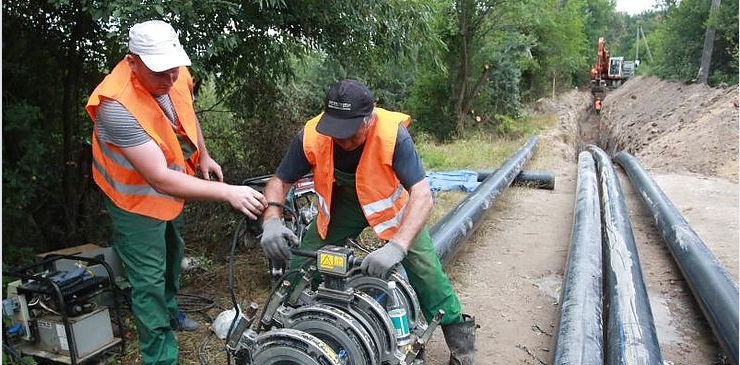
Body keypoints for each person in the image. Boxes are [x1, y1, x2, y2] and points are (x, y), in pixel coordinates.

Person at [85, 20, 267, 365]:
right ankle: (160, 356)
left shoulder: (171, 70)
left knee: (172, 252)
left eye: (173, 70)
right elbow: (160, 179)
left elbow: (186, 112)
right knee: (148, 279)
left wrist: (205, 154)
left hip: (166, 193)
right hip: (134, 200)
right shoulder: (116, 106)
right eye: (160, 74)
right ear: (133, 62)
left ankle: (171, 312)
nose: (170, 79)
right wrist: (228, 192)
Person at [259, 79, 477, 364]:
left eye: (350, 134)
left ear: (369, 119)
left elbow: (422, 195)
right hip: (342, 206)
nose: (342, 141)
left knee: (426, 271)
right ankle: (285, 331)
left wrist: (397, 247)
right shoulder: (311, 135)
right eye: (336, 132)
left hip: (390, 208)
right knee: (301, 265)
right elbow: (280, 181)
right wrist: (272, 219)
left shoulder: (392, 136)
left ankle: (462, 347)